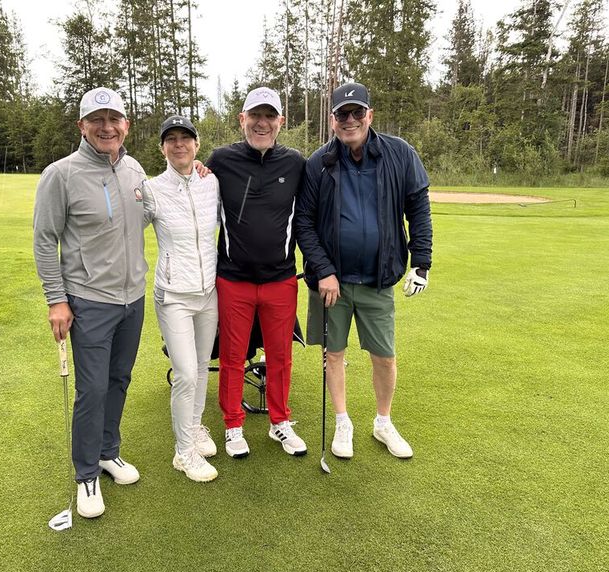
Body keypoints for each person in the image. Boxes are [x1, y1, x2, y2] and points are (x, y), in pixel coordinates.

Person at [294, 82, 433, 460]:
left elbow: (418, 208)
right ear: (332, 120)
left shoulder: (399, 153)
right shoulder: (319, 162)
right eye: (343, 114)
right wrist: (323, 270)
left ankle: (383, 422)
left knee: (384, 356)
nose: (350, 120)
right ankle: (343, 422)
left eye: (357, 113)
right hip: (330, 284)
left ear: (369, 115)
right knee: (333, 354)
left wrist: (421, 262)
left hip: (377, 278)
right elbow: (304, 222)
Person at [33, 87, 146, 519]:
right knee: (93, 388)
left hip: (132, 298)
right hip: (89, 301)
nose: (106, 127)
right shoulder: (60, 174)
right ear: (82, 126)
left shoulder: (134, 169)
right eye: (97, 120)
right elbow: (45, 240)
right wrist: (56, 299)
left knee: (119, 379)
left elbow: (148, 214)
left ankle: (107, 451)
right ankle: (86, 473)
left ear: (125, 125)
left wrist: (196, 172)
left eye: (114, 119)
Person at [206, 87, 307, 458]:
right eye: (255, 115)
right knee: (232, 357)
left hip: (281, 279)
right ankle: (233, 425)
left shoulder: (295, 163)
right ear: (242, 119)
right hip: (234, 279)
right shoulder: (220, 160)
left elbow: (308, 219)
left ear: (281, 121)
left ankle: (280, 422)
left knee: (280, 356)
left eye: (269, 116)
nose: (262, 123)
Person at [142, 116, 220, 482]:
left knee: (202, 367)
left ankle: (194, 427)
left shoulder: (211, 182)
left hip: (209, 292)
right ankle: (183, 452)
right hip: (173, 296)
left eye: (185, 138)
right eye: (170, 139)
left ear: (196, 144)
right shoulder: (152, 189)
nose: (179, 144)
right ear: (162, 148)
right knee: (186, 373)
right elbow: (125, 229)